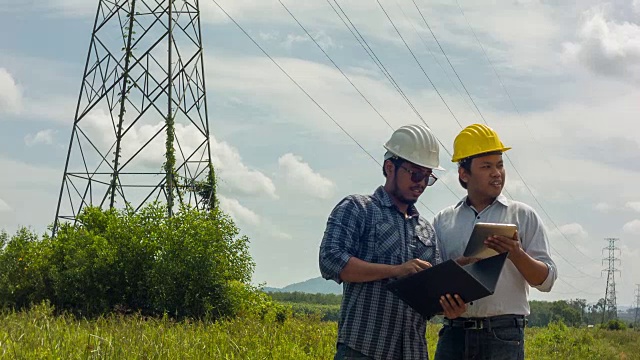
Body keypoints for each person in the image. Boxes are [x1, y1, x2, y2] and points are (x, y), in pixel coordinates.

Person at [319, 124, 466, 360]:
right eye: (416, 174)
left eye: (428, 177)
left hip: (413, 351)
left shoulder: (427, 230)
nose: (421, 183)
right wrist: (395, 271)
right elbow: (331, 260)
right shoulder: (358, 209)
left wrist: (449, 306)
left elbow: (432, 292)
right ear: (390, 167)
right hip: (363, 349)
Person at [433, 123, 557, 360]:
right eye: (486, 166)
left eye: (500, 165)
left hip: (504, 335)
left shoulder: (522, 216)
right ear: (464, 173)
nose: (496, 173)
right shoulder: (443, 221)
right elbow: (434, 281)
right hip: (454, 334)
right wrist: (446, 305)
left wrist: (516, 253)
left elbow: (546, 281)